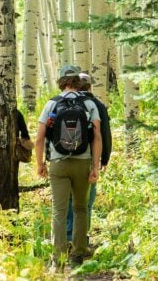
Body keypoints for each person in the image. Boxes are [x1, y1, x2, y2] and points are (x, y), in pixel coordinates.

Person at [35, 65, 102, 268]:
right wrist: (95, 167)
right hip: (82, 163)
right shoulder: (89, 103)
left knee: (59, 210)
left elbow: (39, 138)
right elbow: (97, 136)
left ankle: (58, 258)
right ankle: (78, 255)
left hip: (58, 164)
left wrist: (40, 163)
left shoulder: (52, 104)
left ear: (61, 81)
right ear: (77, 82)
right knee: (81, 208)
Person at [66, 72, 112, 245]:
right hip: (89, 158)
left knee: (68, 198)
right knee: (86, 200)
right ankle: (81, 237)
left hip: (64, 156)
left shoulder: (64, 101)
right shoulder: (97, 105)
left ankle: (67, 236)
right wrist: (104, 158)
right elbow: (104, 134)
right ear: (90, 86)